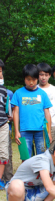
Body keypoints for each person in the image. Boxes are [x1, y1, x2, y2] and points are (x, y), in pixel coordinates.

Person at [11, 64, 52, 157]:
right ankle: (27, 172)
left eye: (33, 79)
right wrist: (16, 131)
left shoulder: (42, 94)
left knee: (42, 155)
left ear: (37, 79)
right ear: (24, 78)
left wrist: (48, 133)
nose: (31, 82)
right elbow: (15, 113)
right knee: (26, 156)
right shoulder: (18, 93)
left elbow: (47, 114)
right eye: (28, 79)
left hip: (41, 131)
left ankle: (41, 172)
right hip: (24, 130)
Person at [37, 63, 55, 150]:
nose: (43, 77)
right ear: (37, 75)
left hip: (53, 124)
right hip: (38, 125)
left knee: (52, 149)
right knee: (41, 150)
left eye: (46, 75)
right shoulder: (35, 89)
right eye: (41, 75)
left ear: (49, 76)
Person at [0, 62, 14, 185]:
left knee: (5, 153)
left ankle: (4, 180)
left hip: (4, 125)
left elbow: (9, 111)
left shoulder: (6, 91)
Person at [0, 60, 9, 190]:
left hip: (3, 124)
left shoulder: (3, 90)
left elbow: (5, 107)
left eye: (0, 71)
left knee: (3, 153)